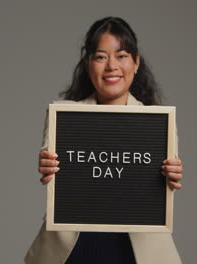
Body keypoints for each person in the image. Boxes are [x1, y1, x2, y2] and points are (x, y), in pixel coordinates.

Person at [25, 17, 184, 264]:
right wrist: (48, 165)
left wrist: (170, 177)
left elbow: (159, 191)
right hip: (72, 253)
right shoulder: (62, 116)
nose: (111, 66)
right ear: (88, 63)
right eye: (100, 56)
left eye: (121, 56)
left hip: (138, 254)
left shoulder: (159, 123)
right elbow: (52, 167)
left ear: (136, 62)